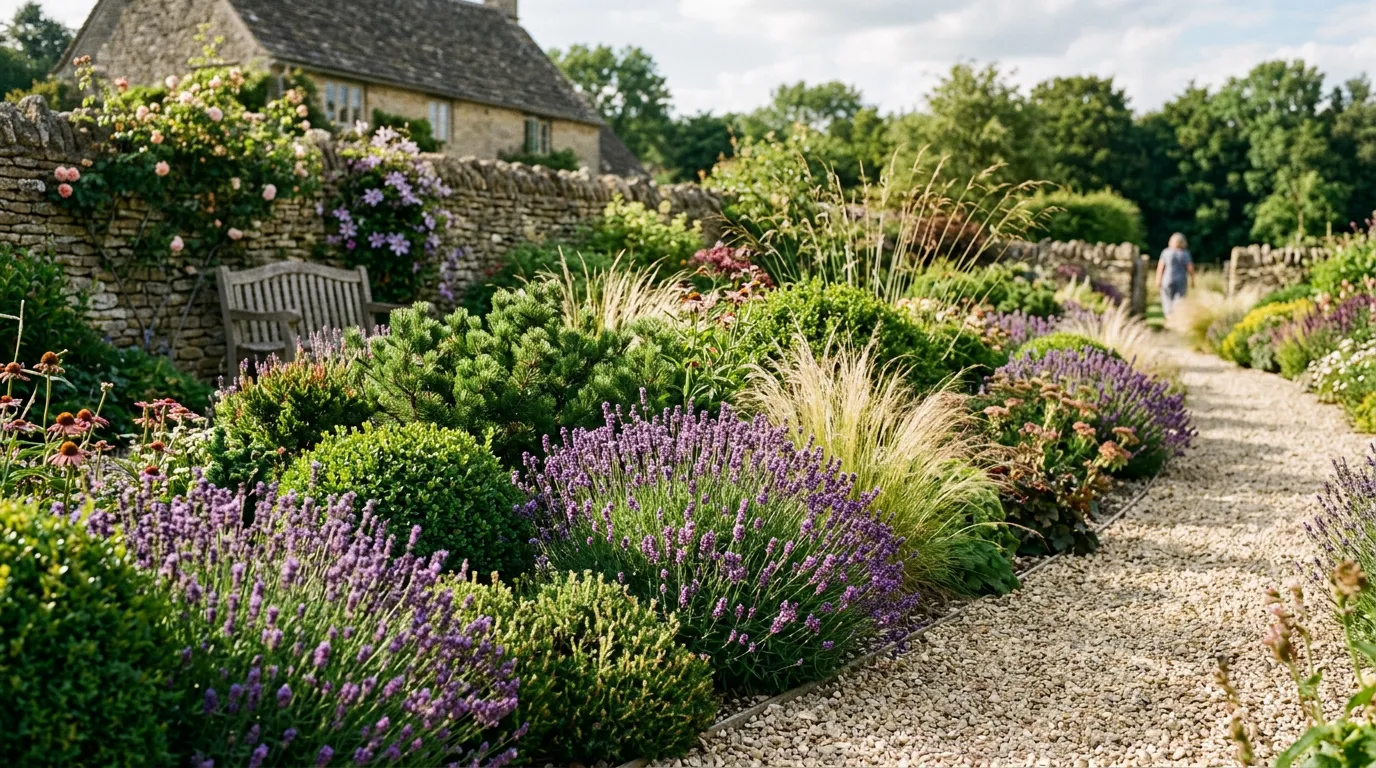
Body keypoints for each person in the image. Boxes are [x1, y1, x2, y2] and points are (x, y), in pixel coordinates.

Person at [1156, 232, 1195, 316]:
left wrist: (1158, 279)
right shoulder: (1185, 253)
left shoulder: (1166, 252)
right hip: (1181, 280)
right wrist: (1192, 280)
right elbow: (1190, 268)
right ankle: (1176, 318)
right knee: (1179, 300)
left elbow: (1160, 267)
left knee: (1167, 300)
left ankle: (1169, 316)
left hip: (1167, 279)